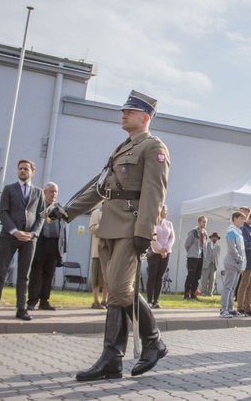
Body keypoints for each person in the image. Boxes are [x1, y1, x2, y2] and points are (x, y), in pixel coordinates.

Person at [52, 90, 170, 380]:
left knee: (118, 289)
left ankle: (153, 341)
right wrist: (68, 212)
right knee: (116, 294)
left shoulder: (153, 147)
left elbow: (155, 194)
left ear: (145, 117)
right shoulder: (122, 148)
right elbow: (100, 189)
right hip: (109, 228)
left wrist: (146, 231)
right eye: (123, 111)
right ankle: (112, 358)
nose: (123, 114)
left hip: (131, 229)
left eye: (129, 111)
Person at [0, 159, 46, 321]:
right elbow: (3, 212)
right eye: (20, 168)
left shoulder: (38, 192)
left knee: (24, 275)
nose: (22, 171)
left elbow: (41, 215)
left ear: (32, 172)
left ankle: (21, 309)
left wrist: (33, 233)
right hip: (10, 236)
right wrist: (14, 231)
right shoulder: (9, 189)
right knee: (0, 272)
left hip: (29, 239)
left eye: (26, 169)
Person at [27, 182, 68, 311]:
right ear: (44, 193)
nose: (53, 194)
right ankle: (32, 300)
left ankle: (44, 300)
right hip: (41, 242)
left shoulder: (59, 209)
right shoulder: (39, 206)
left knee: (49, 274)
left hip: (54, 244)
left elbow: (63, 226)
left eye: (55, 191)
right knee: (36, 272)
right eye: (51, 191)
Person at [146, 205, 174, 308]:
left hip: (166, 253)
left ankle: (156, 300)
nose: (166, 213)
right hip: (154, 253)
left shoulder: (169, 224)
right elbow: (152, 237)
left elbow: (172, 237)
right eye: (165, 211)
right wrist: (160, 248)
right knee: (152, 275)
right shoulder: (153, 223)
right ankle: (149, 299)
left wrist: (166, 248)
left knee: (160, 277)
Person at [220, 211, 246, 317]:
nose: (243, 221)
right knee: (228, 287)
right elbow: (232, 248)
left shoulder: (238, 231)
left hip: (237, 264)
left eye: (244, 219)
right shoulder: (231, 231)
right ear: (234, 218)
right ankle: (223, 309)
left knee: (232, 288)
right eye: (241, 218)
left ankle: (230, 309)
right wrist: (239, 258)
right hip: (232, 263)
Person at [87, 205, 108, 309]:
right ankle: (95, 301)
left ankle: (105, 301)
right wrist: (105, 226)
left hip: (110, 251)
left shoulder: (113, 213)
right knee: (96, 277)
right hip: (98, 251)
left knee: (107, 278)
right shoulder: (97, 213)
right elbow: (92, 228)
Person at [183, 216, 206, 300]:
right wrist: (191, 252)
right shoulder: (193, 232)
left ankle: (193, 293)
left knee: (197, 276)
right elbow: (187, 244)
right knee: (191, 276)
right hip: (193, 257)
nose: (205, 224)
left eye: (206, 222)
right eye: (203, 222)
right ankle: (186, 293)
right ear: (199, 222)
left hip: (200, 257)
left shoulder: (205, 233)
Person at [201, 232, 221, 296]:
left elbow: (217, 256)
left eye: (216, 238)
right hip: (206, 264)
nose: (215, 239)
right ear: (211, 238)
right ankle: (203, 292)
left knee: (212, 280)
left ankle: (210, 293)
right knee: (205, 279)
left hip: (214, 264)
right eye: (214, 237)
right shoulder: (206, 245)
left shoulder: (218, 247)